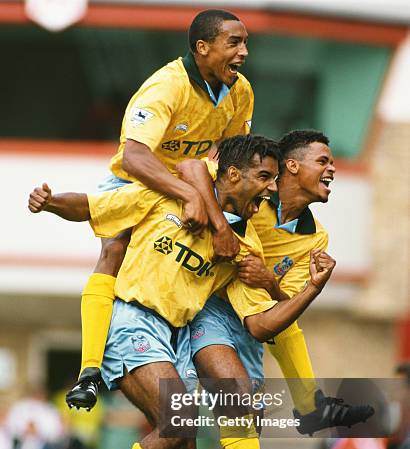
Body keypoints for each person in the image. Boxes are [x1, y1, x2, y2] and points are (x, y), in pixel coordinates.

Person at [30, 135, 336, 449]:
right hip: (132, 321)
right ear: (232, 174)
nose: (269, 190)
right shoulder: (169, 193)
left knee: (185, 441)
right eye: (264, 178)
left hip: (171, 338)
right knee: (179, 424)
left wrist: (289, 285)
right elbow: (97, 207)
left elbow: (260, 320)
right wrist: (51, 203)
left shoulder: (242, 243)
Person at [168, 129, 374, 449]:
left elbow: (280, 305)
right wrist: (221, 229)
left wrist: (289, 284)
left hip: (253, 324)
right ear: (292, 167)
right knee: (187, 431)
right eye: (323, 160)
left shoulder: (315, 235)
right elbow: (200, 173)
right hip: (210, 313)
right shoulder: (252, 201)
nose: (332, 168)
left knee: (235, 448)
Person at [28, 9, 253, 411]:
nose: (244, 52)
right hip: (141, 181)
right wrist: (188, 195)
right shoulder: (165, 87)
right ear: (202, 48)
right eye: (234, 43)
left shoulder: (240, 92)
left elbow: (235, 159)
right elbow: (133, 157)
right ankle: (90, 370)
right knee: (114, 248)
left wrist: (210, 199)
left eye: (245, 43)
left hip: (191, 185)